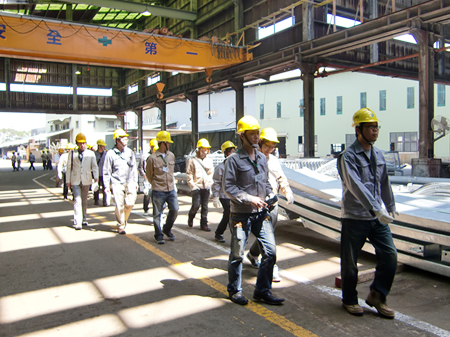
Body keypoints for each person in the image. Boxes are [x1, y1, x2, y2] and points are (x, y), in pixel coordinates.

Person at [337, 108, 397, 318]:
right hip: (354, 218)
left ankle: (377, 296)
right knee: (350, 262)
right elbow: (355, 185)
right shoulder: (348, 156)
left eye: (376, 126)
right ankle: (349, 299)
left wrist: (390, 205)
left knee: (390, 256)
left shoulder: (378, 154)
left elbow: (384, 182)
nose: (375, 131)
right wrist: (376, 208)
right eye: (371, 127)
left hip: (377, 217)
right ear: (358, 130)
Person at [223, 115, 284, 306]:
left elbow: (264, 182)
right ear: (242, 135)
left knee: (271, 252)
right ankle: (235, 290)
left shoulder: (261, 158)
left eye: (258, 132)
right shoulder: (233, 160)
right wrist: (250, 199)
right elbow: (229, 187)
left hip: (260, 214)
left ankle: (262, 291)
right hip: (241, 214)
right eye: (253, 133)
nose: (257, 136)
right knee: (237, 254)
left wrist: (270, 195)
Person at [247, 127, 295, 282]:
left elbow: (281, 178)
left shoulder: (274, 160)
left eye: (273, 146)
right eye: (267, 145)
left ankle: (253, 254)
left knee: (268, 234)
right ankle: (271, 266)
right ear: (260, 143)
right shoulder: (252, 158)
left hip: (272, 203)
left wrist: (287, 192)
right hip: (258, 204)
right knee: (268, 237)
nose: (270, 149)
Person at [146, 130, 179, 244]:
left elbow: (171, 171)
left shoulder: (171, 156)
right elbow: (149, 175)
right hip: (158, 189)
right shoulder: (152, 158)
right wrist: (155, 184)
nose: (169, 145)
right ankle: (158, 234)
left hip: (170, 188)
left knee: (174, 209)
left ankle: (167, 229)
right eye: (168, 143)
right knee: (157, 213)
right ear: (162, 143)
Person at [103, 128, 138, 235]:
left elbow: (134, 168)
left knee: (130, 203)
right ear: (117, 140)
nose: (126, 139)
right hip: (116, 182)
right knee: (119, 205)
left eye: (126, 138)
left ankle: (123, 218)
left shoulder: (130, 152)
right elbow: (106, 170)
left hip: (129, 181)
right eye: (123, 138)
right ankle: (121, 225)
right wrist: (106, 186)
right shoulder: (110, 154)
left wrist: (135, 182)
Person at [66, 133, 99, 230]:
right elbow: (68, 168)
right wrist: (68, 181)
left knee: (84, 200)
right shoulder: (72, 154)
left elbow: (94, 166)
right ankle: (77, 221)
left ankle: (84, 217)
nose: (82, 145)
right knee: (77, 200)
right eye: (80, 143)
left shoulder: (90, 154)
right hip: (75, 180)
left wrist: (96, 177)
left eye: (84, 143)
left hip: (86, 180)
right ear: (77, 143)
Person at [186, 138, 214, 231]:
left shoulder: (209, 161)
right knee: (196, 205)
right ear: (198, 149)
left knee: (205, 207)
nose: (205, 152)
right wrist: (193, 186)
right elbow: (189, 174)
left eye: (206, 150)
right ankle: (191, 216)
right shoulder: (192, 160)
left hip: (206, 186)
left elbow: (211, 173)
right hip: (196, 187)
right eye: (203, 149)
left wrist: (209, 183)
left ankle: (204, 224)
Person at [212, 140, 237, 243]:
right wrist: (216, 197)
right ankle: (236, 237)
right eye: (231, 151)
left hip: (234, 195)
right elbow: (216, 182)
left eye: (234, 151)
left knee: (229, 215)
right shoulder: (220, 168)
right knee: (229, 214)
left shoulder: (236, 166)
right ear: (226, 153)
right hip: (224, 195)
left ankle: (219, 232)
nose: (234, 153)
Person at [138, 138, 159, 215]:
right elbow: (140, 167)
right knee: (147, 194)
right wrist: (143, 175)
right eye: (152, 147)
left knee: (156, 195)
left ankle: (156, 211)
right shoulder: (145, 156)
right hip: (147, 178)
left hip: (156, 178)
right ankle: (146, 208)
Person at [94, 139, 108, 206]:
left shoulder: (106, 154)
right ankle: (96, 200)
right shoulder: (94, 154)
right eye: (103, 146)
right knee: (96, 187)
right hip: (97, 174)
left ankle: (104, 201)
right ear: (99, 146)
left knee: (105, 188)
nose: (104, 147)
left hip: (104, 173)